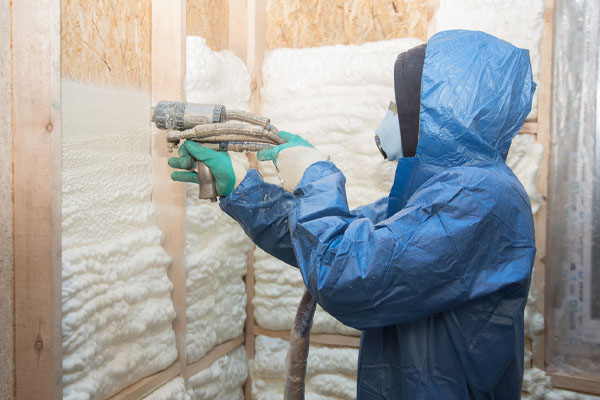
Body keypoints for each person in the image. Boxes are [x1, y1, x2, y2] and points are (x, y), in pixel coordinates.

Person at [169, 30, 536, 399]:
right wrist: (241, 188)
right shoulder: (437, 194)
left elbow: (345, 272)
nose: (393, 115)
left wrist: (316, 176)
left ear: (444, 114)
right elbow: (326, 239)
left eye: (400, 105)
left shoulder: (481, 199)